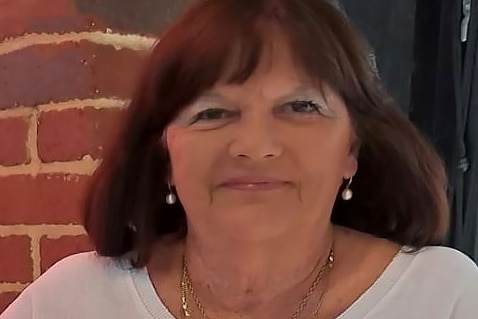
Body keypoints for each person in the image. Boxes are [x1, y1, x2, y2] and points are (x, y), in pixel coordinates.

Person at [2, 0, 478, 318]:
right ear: (165, 156)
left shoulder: (446, 296)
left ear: (351, 152)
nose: (254, 146)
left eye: (300, 107)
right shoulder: (70, 301)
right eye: (212, 112)